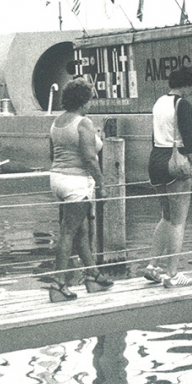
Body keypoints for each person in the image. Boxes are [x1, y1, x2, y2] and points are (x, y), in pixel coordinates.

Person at [46, 79, 114, 302]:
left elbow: (51, 154)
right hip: (77, 181)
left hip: (57, 178)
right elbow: (90, 157)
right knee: (68, 232)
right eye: (90, 99)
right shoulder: (84, 122)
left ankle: (93, 274)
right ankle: (58, 284)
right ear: (84, 100)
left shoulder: (57, 121)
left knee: (81, 231)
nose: (91, 104)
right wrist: (102, 184)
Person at [141, 67, 192, 288]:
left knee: (166, 216)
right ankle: (173, 273)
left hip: (156, 160)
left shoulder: (158, 103)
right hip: (175, 162)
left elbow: (154, 136)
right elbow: (190, 141)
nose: (191, 93)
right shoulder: (183, 104)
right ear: (186, 85)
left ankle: (152, 265)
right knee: (179, 221)